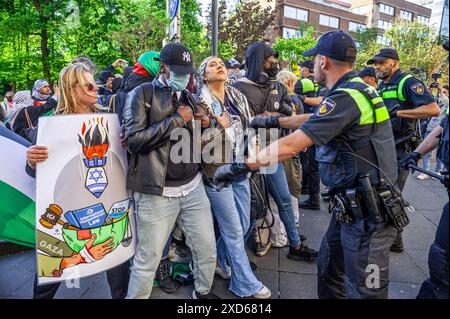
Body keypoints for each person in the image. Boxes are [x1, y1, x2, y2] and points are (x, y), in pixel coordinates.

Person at [216, 31, 403, 299]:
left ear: (323, 61)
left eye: (314, 59)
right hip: (354, 208)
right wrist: (273, 121)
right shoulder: (356, 90)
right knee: (329, 272)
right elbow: (316, 118)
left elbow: (294, 145)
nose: (312, 65)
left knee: (365, 291)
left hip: (368, 218)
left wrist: (243, 167)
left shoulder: (345, 98)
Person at [25, 63, 131, 299]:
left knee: (119, 272)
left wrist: (127, 144)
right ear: (72, 90)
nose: (96, 89)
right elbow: (40, 175)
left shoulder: (110, 121)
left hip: (107, 214)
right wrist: (32, 161)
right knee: (49, 276)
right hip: (68, 215)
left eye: (94, 83)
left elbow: (123, 165)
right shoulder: (51, 126)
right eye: (89, 85)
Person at [122, 42, 218, 299]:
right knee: (148, 260)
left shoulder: (189, 95)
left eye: (187, 72)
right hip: (157, 192)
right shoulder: (142, 94)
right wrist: (178, 120)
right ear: (162, 67)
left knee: (207, 248)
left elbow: (202, 142)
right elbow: (134, 141)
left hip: (193, 185)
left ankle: (203, 291)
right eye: (178, 72)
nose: (184, 78)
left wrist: (206, 125)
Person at [194, 56, 271, 298]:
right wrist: (219, 126)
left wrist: (255, 146)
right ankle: (244, 283)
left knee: (244, 223)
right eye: (212, 64)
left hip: (240, 166)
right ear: (204, 75)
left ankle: (218, 261)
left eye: (221, 64)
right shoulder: (198, 102)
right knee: (233, 230)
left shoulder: (236, 96)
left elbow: (247, 126)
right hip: (216, 171)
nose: (220, 66)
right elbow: (195, 143)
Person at [233, 42, 317, 261]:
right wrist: (265, 117)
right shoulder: (237, 88)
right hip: (247, 154)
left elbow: (291, 108)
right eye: (270, 59)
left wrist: (281, 113)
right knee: (247, 208)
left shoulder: (277, 86)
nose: (274, 63)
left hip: (273, 154)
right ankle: (235, 256)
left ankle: (295, 245)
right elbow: (236, 123)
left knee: (284, 199)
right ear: (258, 60)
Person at [369, 48, 440, 253]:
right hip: (384, 146)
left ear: (395, 63)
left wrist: (398, 112)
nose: (378, 67)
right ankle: (394, 240)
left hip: (402, 148)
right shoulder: (382, 85)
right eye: (376, 64)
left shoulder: (408, 82)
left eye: (382, 63)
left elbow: (432, 109)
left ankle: (394, 241)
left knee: (390, 196)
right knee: (385, 194)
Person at [295, 59, 321, 210]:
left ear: (307, 70)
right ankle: (307, 188)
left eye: (301, 69)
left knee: (310, 163)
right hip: (312, 123)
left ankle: (313, 198)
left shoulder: (305, 82)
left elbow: (292, 93)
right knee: (309, 161)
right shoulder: (317, 83)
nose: (300, 71)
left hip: (308, 124)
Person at [417, 84, 448, 179]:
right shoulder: (438, 101)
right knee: (426, 151)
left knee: (440, 152)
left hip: (440, 130)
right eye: (442, 92)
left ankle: (438, 171)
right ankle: (425, 171)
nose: (442, 93)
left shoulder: (446, 102)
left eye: (445, 92)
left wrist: (440, 92)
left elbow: (447, 103)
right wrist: (426, 90)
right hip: (430, 128)